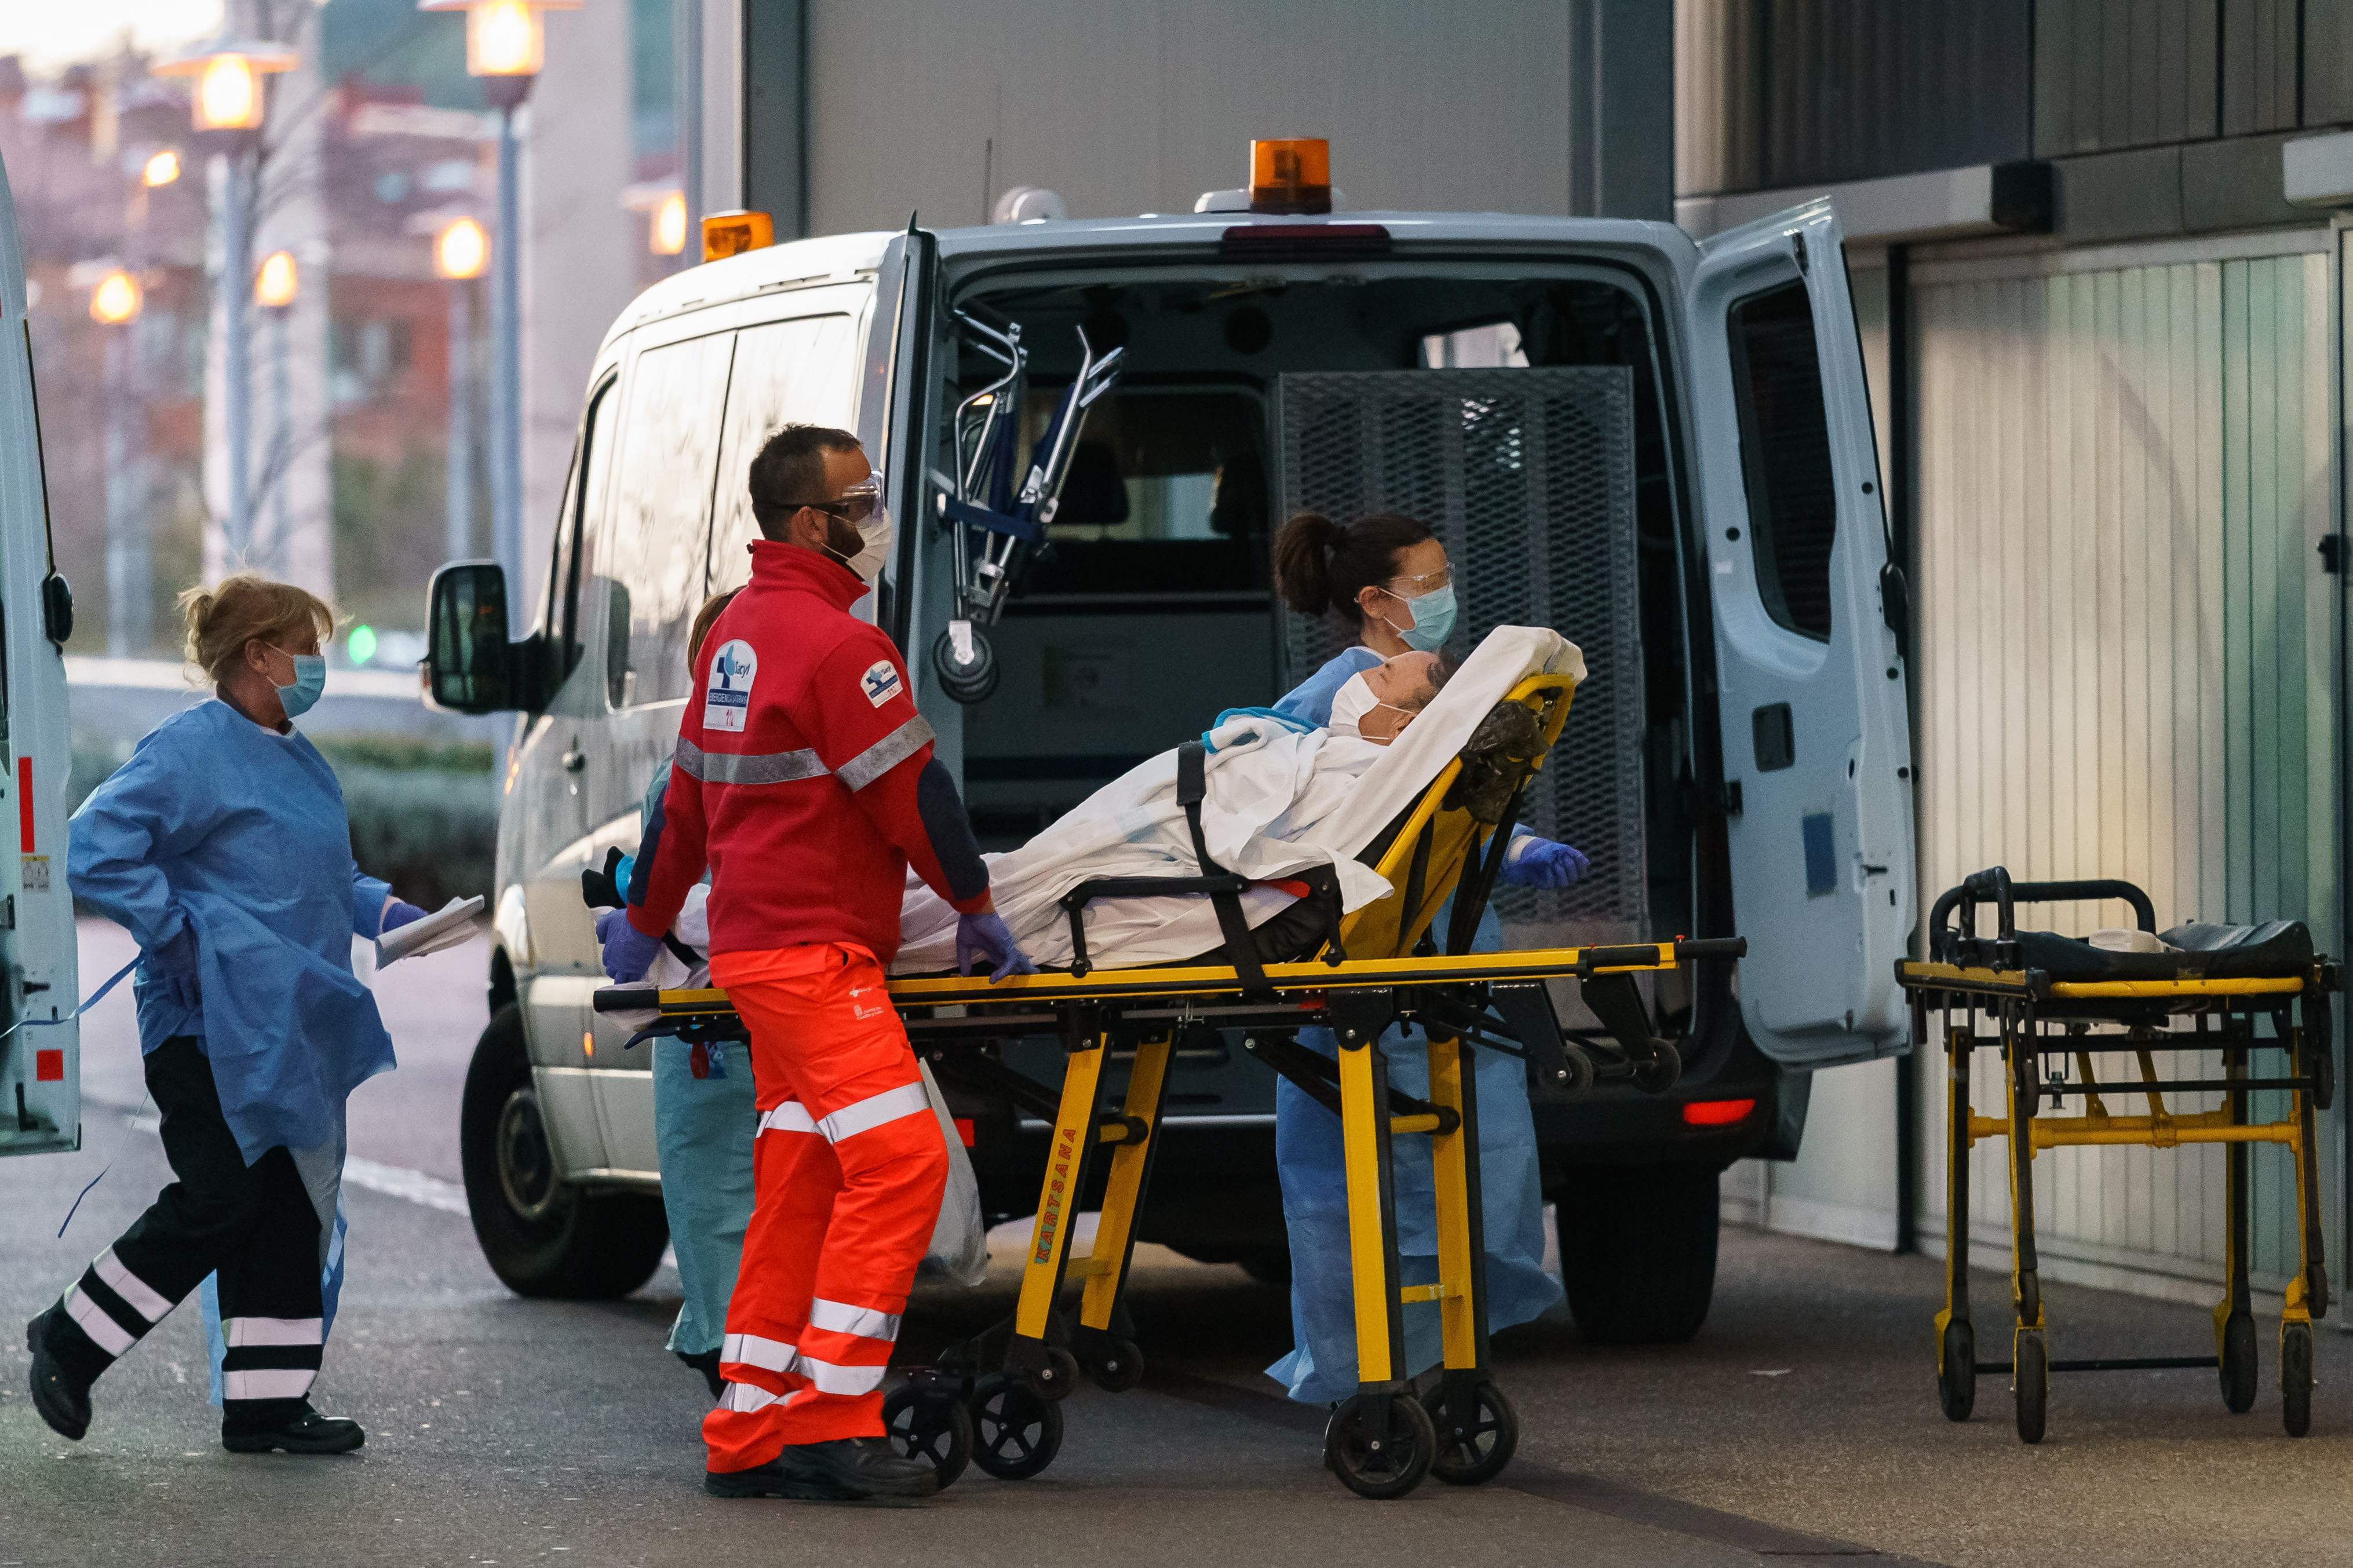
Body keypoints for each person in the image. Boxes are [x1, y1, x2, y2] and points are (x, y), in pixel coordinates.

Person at [601, 424, 1034, 1505]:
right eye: (863, 500)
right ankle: (835, 1415)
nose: (875, 516)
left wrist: (646, 922)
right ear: (812, 522)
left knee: (803, 1179)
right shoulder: (846, 648)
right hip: (817, 960)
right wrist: (976, 907)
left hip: (760, 956)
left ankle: (749, 1424)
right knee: (902, 1167)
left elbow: (689, 807)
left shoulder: (738, 639)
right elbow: (915, 793)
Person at [25, 576, 429, 1454]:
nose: (316, 666)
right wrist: (176, 937)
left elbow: (319, 877)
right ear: (258, 654)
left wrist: (389, 914)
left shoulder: (297, 758)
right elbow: (93, 850)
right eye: (307, 647)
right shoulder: (191, 750)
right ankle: (69, 1339)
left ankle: (267, 1407)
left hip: (286, 1033)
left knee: (284, 1211)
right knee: (222, 1200)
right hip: (204, 1030)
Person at [1262, 509, 1582, 1403]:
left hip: (1445, 979)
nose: (1444, 601)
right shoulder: (1337, 701)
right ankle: (1366, 1380)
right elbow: (1324, 815)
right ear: (1375, 601)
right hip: (1371, 982)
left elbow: (1450, 811)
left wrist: (1513, 849)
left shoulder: (1433, 697)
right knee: (1360, 1195)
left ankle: (1442, 1367)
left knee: (1478, 1178)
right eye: (1428, 584)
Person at [624, 589, 752, 1401]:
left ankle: (731, 1351)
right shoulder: (693, 776)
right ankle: (730, 1353)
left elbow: (660, 900)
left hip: (716, 1028)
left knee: (719, 1196)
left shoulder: (689, 773)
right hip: (728, 1029)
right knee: (724, 1199)